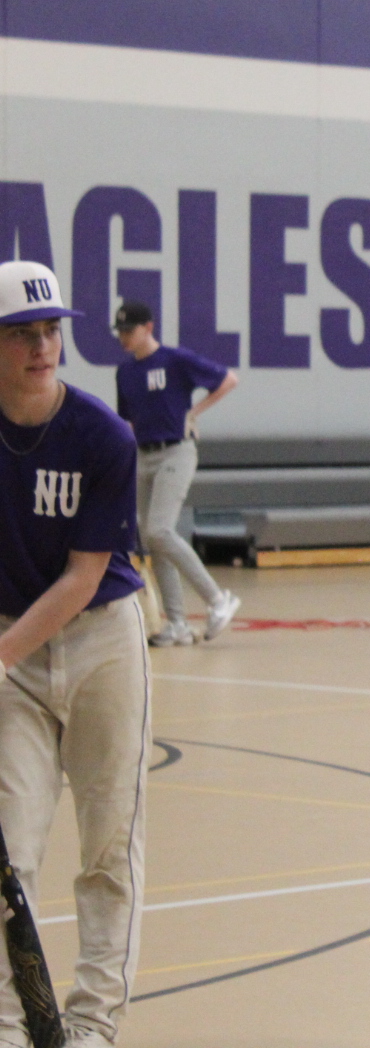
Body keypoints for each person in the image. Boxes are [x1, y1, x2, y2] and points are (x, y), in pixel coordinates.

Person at [0, 261, 150, 1048]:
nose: (41, 346)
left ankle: (92, 1025)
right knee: (9, 848)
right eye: (21, 333)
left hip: (99, 639)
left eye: (51, 330)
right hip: (10, 649)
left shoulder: (104, 436)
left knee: (106, 846)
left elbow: (82, 576)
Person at [111, 301, 240, 648]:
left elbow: (228, 379)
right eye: (120, 331)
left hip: (176, 451)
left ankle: (218, 599)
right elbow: (129, 420)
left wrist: (193, 413)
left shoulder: (174, 359)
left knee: (159, 529)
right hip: (143, 454)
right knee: (152, 540)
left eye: (130, 330)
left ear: (148, 328)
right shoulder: (125, 373)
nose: (124, 337)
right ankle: (177, 623)